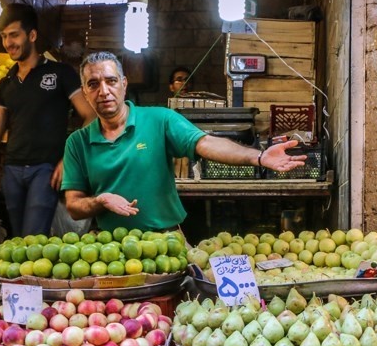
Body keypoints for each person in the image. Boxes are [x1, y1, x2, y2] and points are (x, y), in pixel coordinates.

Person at [62, 51, 306, 233]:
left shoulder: (160, 119)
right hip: (111, 250)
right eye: (93, 84)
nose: (103, 91)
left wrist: (259, 156)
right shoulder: (78, 142)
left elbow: (206, 143)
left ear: (123, 85)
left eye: (111, 80)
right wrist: (101, 200)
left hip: (167, 238)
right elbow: (74, 206)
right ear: (84, 92)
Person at [0, 4, 95, 237]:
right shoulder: (6, 84)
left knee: (33, 238)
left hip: (45, 171)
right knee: (19, 239)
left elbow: (90, 115)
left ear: (32, 35)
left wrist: (68, 159)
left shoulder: (60, 74)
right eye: (4, 36)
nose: (9, 42)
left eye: (14, 35)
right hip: (12, 172)